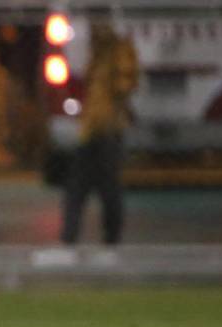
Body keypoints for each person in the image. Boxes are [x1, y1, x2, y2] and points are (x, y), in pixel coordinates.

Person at [59, 26, 139, 262]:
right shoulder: (99, 54)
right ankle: (72, 241)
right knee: (79, 188)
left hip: (107, 130)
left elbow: (124, 85)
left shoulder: (117, 52)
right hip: (93, 129)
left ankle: (109, 243)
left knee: (106, 189)